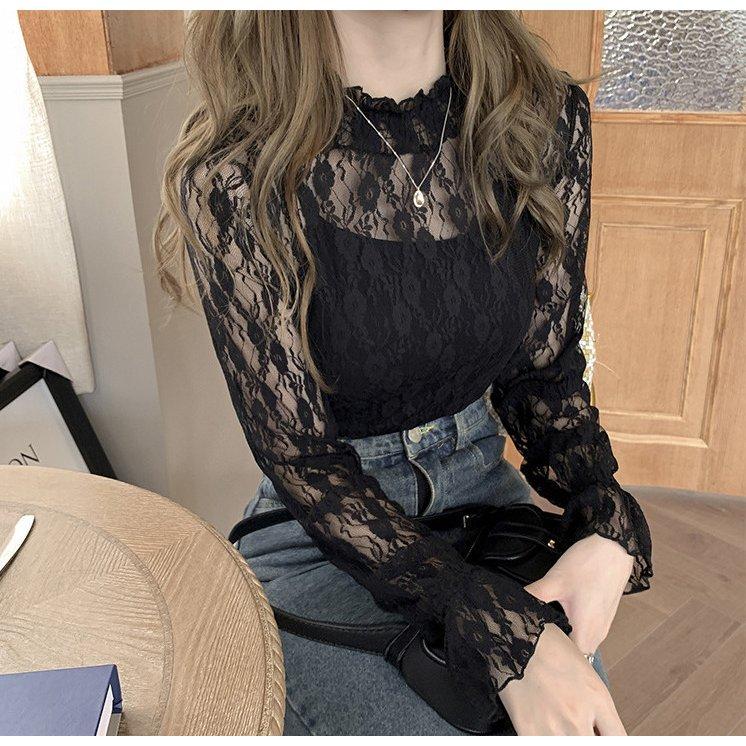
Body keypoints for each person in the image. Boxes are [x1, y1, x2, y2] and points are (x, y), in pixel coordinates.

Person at [155, 10, 653, 736]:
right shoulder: (234, 176)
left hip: (482, 493)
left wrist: (603, 517)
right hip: (327, 529)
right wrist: (486, 624)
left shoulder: (544, 121)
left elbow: (541, 374)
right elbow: (301, 458)